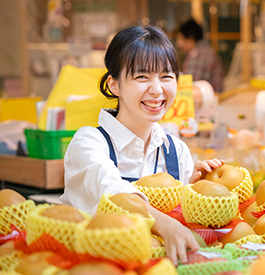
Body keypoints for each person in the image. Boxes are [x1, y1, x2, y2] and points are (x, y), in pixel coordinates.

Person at [60, 25, 224, 265]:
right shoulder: (89, 143)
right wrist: (165, 223)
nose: (157, 90)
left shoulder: (176, 151)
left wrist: (195, 193)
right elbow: (115, 194)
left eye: (166, 76)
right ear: (114, 84)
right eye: (142, 77)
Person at [176, 18, 223, 93]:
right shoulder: (208, 49)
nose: (179, 44)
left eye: (180, 38)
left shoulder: (196, 54)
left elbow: (189, 85)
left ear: (190, 38)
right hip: (215, 98)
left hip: (206, 100)